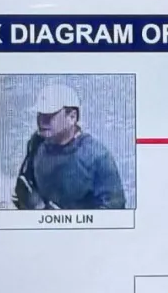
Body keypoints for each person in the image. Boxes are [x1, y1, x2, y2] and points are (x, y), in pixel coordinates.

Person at [12, 82, 126, 210]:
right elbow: (25, 184)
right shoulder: (37, 143)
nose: (42, 121)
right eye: (40, 114)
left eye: (49, 116)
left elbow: (115, 208)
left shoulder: (97, 157)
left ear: (72, 117)